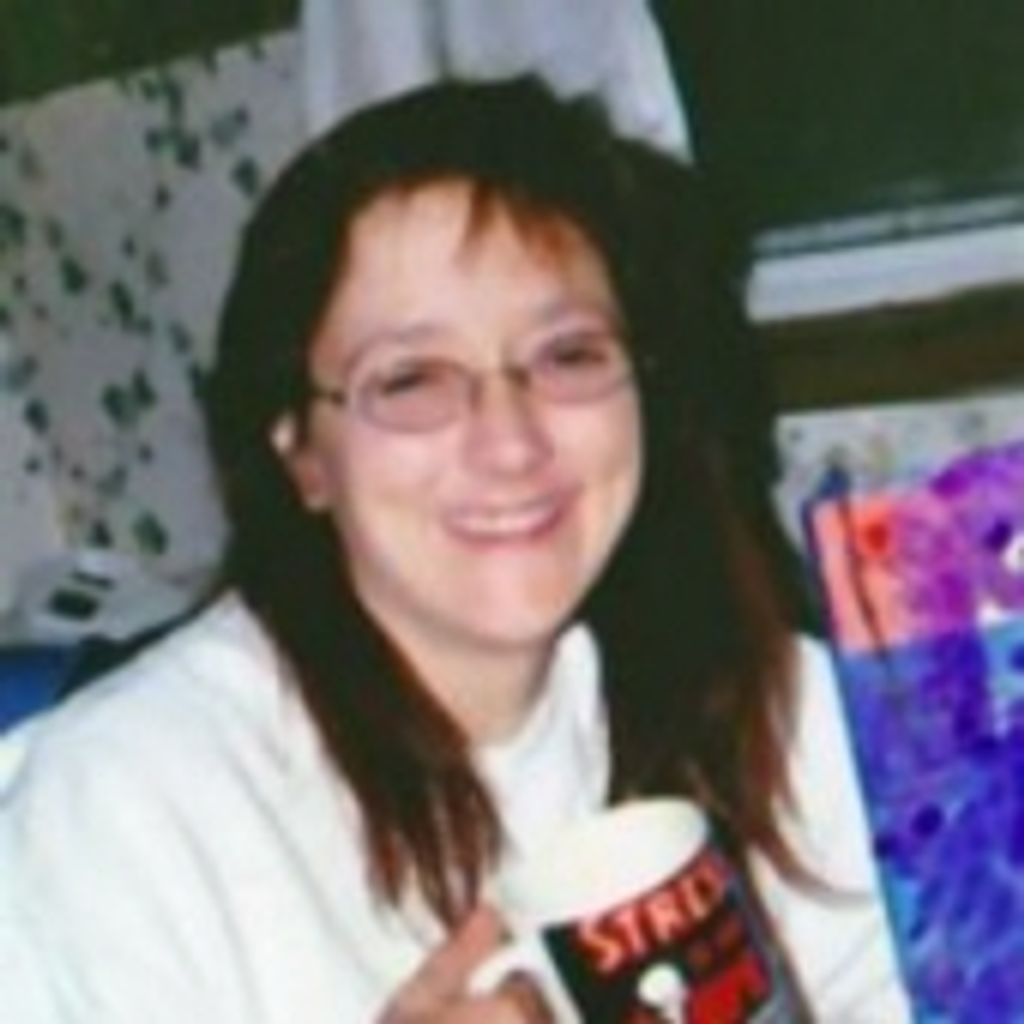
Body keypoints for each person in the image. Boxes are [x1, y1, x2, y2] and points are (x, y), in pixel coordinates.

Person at [0, 77, 910, 1022]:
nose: (511, 443)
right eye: (410, 381)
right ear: (300, 453)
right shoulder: (116, 814)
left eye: (568, 356)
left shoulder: (781, 714)